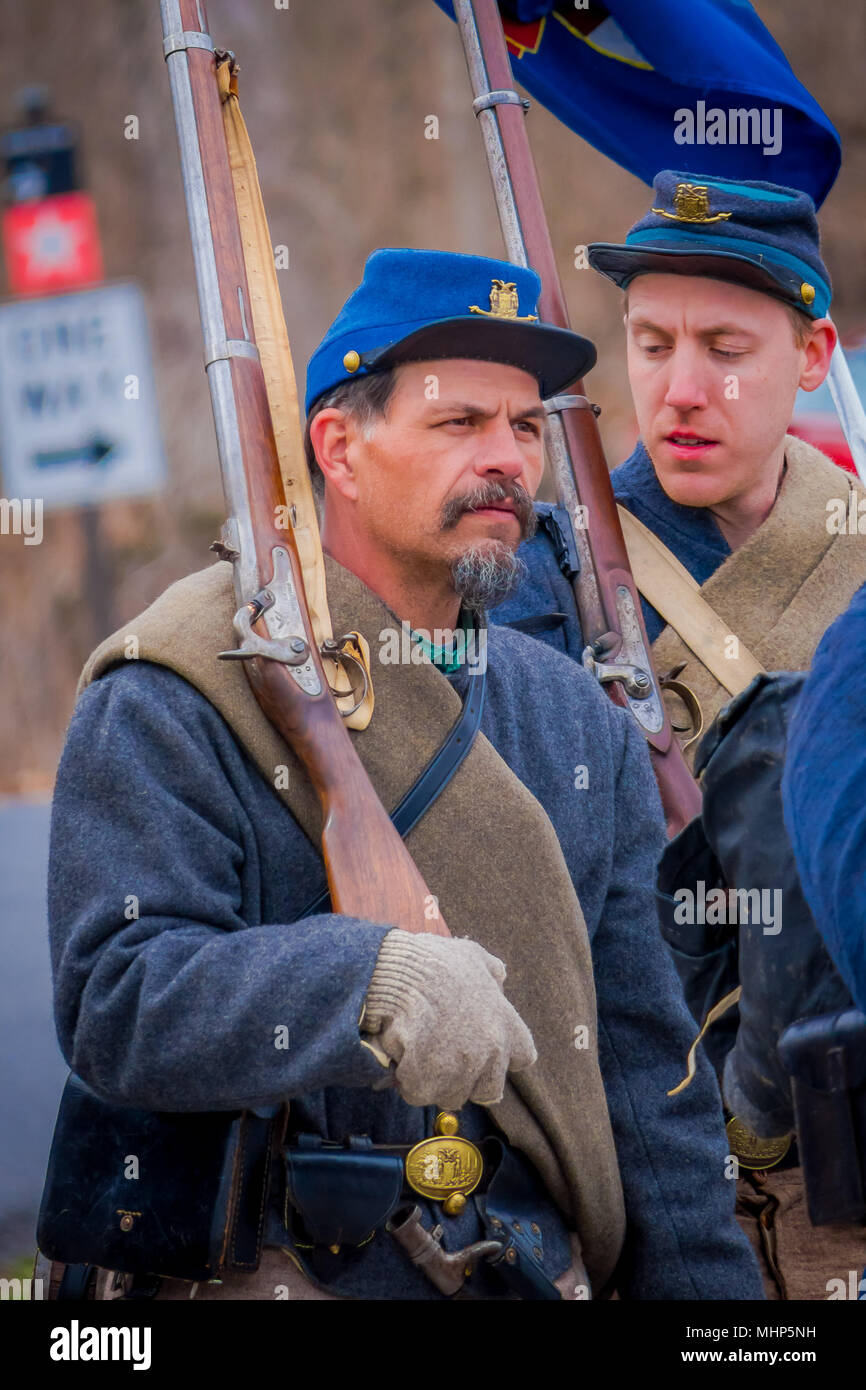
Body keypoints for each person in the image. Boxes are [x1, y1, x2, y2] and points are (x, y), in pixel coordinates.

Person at [43, 248, 761, 1301]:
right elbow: (118, 1000)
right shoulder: (177, 688)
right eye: (458, 422)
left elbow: (651, 1089)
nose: (509, 459)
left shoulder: (574, 719)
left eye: (524, 427)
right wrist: (360, 980)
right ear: (338, 445)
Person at [495, 169, 866, 759]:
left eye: (726, 350)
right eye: (654, 346)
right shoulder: (541, 575)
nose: (682, 391)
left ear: (813, 356)